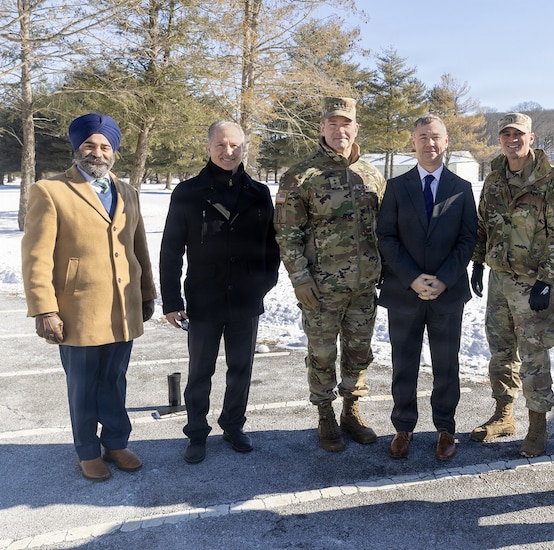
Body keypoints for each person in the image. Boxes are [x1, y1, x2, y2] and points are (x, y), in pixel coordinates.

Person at [21, 113, 156, 481]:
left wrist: (146, 294)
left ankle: (116, 442)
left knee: (115, 380)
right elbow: (36, 256)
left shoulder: (127, 191)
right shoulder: (50, 191)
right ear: (77, 148)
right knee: (82, 385)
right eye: (90, 146)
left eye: (105, 146)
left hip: (122, 309)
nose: (97, 153)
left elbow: (138, 247)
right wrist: (44, 309)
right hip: (77, 309)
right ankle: (86, 451)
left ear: (114, 152)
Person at [159, 120, 280, 464]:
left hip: (245, 300)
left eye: (235, 146)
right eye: (221, 145)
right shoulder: (188, 192)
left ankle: (233, 425)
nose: (229, 152)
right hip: (204, 299)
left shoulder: (258, 193)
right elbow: (170, 250)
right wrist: (171, 301)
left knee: (241, 368)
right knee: (201, 371)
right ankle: (196, 432)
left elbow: (272, 248)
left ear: (244, 148)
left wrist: (264, 286)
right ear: (209, 147)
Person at [275, 97, 386, 452]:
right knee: (322, 353)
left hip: (364, 287)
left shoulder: (371, 174)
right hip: (320, 288)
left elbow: (383, 228)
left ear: (356, 129)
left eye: (346, 124)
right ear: (322, 128)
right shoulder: (300, 175)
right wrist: (300, 279)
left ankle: (351, 410)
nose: (340, 131)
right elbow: (287, 234)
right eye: (333, 124)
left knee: (359, 351)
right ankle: (325, 413)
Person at [470, 113, 554, 458]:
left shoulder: (552, 182)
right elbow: (482, 224)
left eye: (519, 135)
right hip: (499, 279)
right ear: (499, 140)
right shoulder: (494, 181)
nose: (512, 140)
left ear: (531, 138)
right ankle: (504, 415)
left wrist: (547, 279)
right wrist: (476, 262)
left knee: (533, 355)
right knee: (501, 351)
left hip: (533, 283)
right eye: (505, 135)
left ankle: (537, 425)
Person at [376, 114, 477, 461]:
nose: (429, 143)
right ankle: (403, 427)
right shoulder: (396, 186)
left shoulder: (461, 189)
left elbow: (467, 240)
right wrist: (412, 278)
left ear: (446, 142)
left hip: (447, 294)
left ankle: (445, 429)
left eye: (435, 137)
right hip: (405, 292)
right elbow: (386, 237)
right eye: (422, 137)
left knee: (446, 363)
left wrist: (444, 279)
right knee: (404, 362)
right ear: (413, 142)